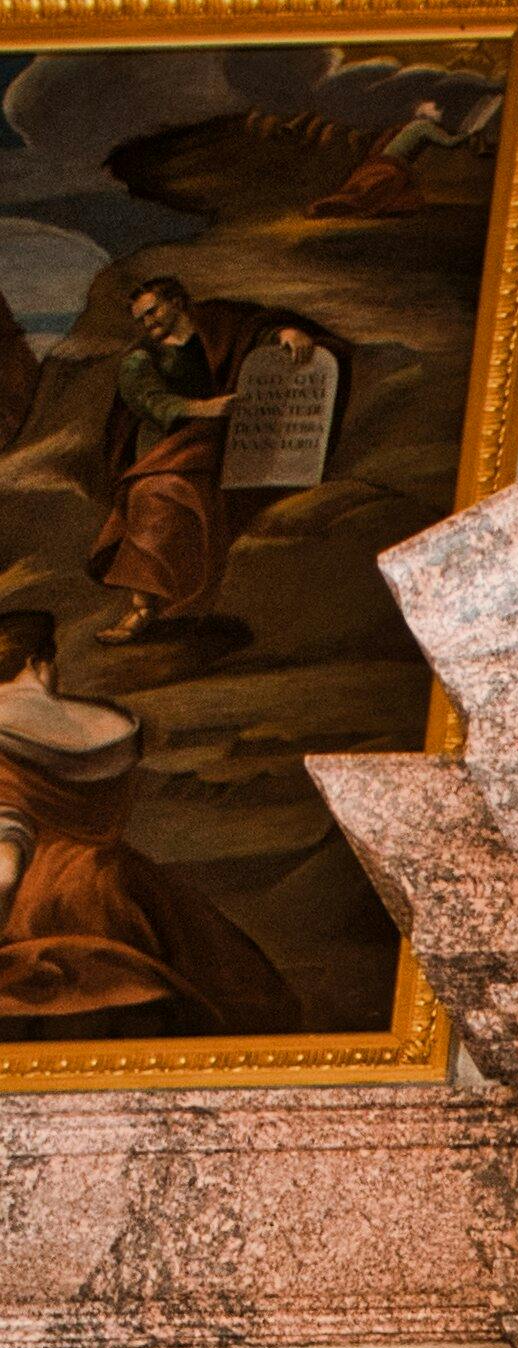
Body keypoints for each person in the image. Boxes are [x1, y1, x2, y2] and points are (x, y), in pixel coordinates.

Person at [0, 606, 294, 1038]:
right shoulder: (107, 726)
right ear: (37, 663)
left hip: (38, 911)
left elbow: (4, 868)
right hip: (119, 890)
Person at [86, 274, 327, 640]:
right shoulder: (139, 360)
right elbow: (151, 401)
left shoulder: (216, 331)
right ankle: (142, 608)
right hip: (175, 445)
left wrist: (285, 334)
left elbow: (252, 336)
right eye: (141, 319)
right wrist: (205, 408)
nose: (147, 323)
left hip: (234, 439)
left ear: (178, 302)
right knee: (152, 495)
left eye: (152, 312)